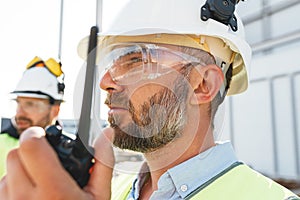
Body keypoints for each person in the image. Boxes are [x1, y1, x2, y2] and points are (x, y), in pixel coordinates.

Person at [0, 0, 299, 199]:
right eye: (109, 64)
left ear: (202, 84)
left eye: (132, 60)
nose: (105, 82)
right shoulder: (107, 191)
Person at [0, 56, 65, 178]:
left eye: (30, 104)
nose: (20, 113)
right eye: (18, 103)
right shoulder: (1, 144)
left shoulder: (71, 154)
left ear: (55, 110)